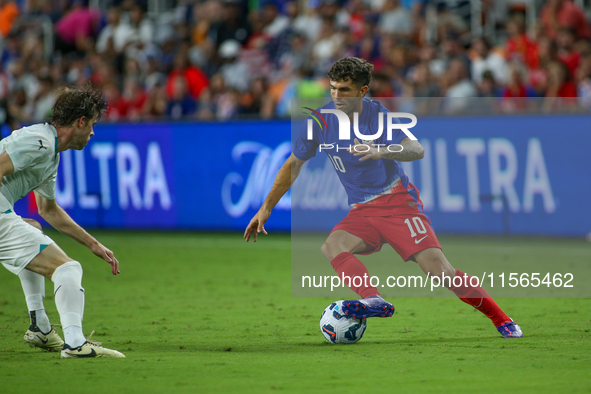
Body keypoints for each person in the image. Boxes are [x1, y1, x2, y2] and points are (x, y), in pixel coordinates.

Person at [244, 57, 523, 339]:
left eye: (345, 90)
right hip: (362, 211)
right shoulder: (319, 121)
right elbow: (293, 164)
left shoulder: (379, 118)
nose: (336, 96)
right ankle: (373, 299)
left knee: (441, 272)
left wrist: (382, 150)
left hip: (398, 204)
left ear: (363, 91)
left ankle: (502, 320)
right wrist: (266, 207)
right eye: (333, 88)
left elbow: (416, 150)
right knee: (332, 245)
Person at [0, 86, 125, 358]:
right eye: (91, 124)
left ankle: (40, 327)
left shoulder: (50, 153)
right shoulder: (39, 142)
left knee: (33, 227)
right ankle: (75, 343)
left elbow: (48, 209)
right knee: (67, 268)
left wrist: (93, 244)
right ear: (80, 122)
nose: (92, 132)